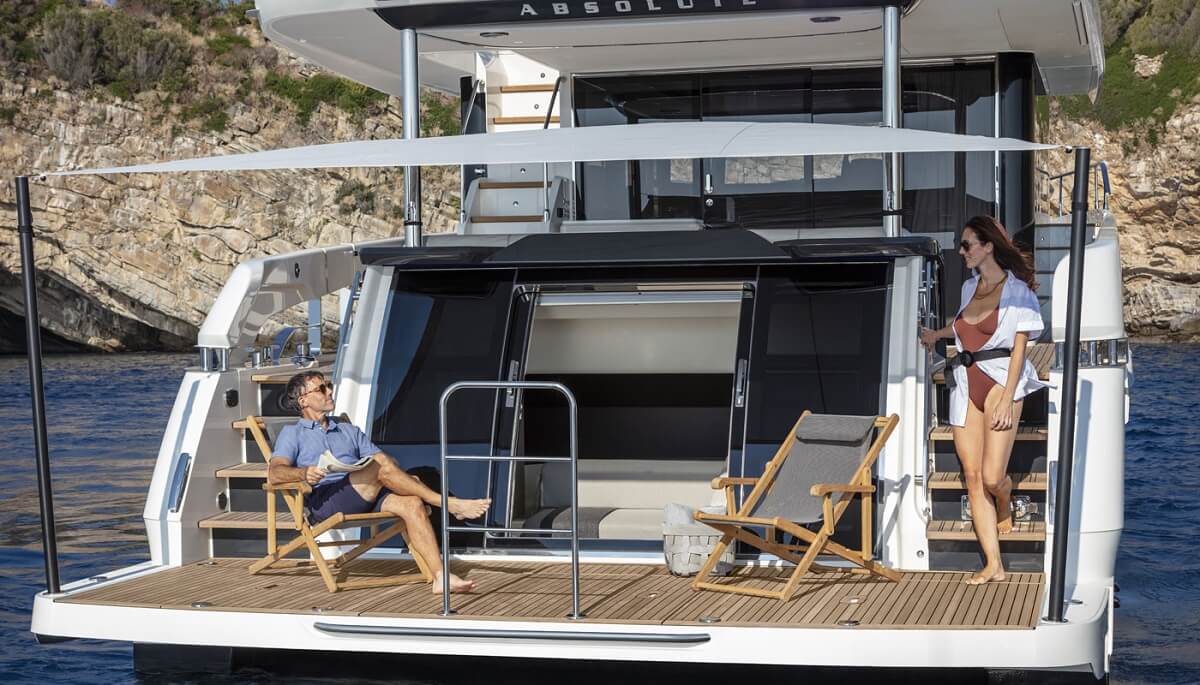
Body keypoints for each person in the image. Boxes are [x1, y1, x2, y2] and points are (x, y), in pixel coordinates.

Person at [269, 370, 491, 594]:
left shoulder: (347, 429)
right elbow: (275, 473)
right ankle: (448, 503)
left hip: (364, 492)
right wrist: (303, 473)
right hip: (328, 500)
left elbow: (387, 462)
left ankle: (440, 577)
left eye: (329, 386)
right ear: (303, 400)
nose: (329, 392)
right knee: (381, 467)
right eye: (321, 389)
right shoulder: (293, 433)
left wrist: (385, 471)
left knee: (412, 502)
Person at [919, 216, 1047, 585]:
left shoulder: (1018, 292)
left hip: (999, 383)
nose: (961, 252)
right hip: (965, 383)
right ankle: (994, 564)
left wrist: (1008, 398)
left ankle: (1004, 498)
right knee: (973, 477)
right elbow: (964, 326)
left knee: (992, 477)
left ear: (988, 246)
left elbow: (1020, 349)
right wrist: (936, 335)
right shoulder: (968, 288)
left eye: (967, 245)